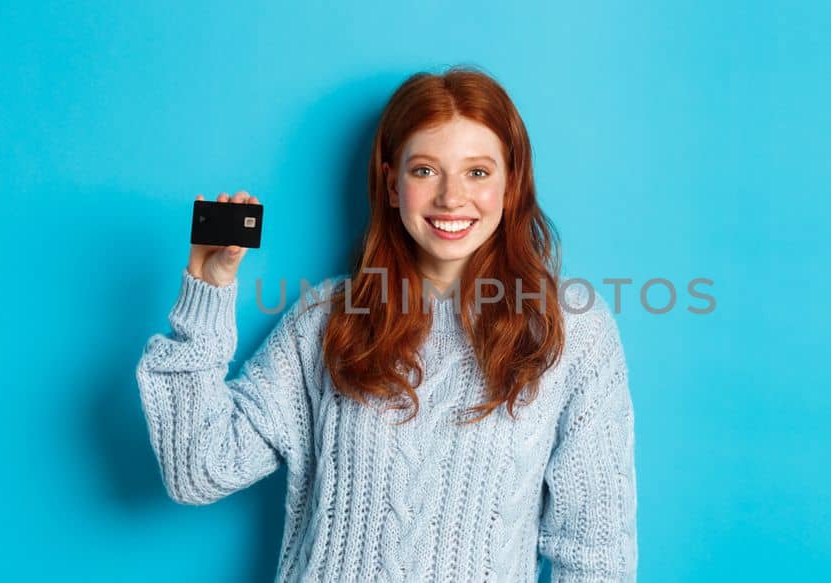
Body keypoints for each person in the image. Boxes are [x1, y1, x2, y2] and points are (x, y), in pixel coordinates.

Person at [135, 65, 637, 582]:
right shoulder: (327, 318)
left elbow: (595, 554)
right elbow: (197, 469)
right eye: (424, 170)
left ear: (511, 185)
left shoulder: (571, 329)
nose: (450, 197)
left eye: (478, 172)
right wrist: (208, 289)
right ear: (391, 183)